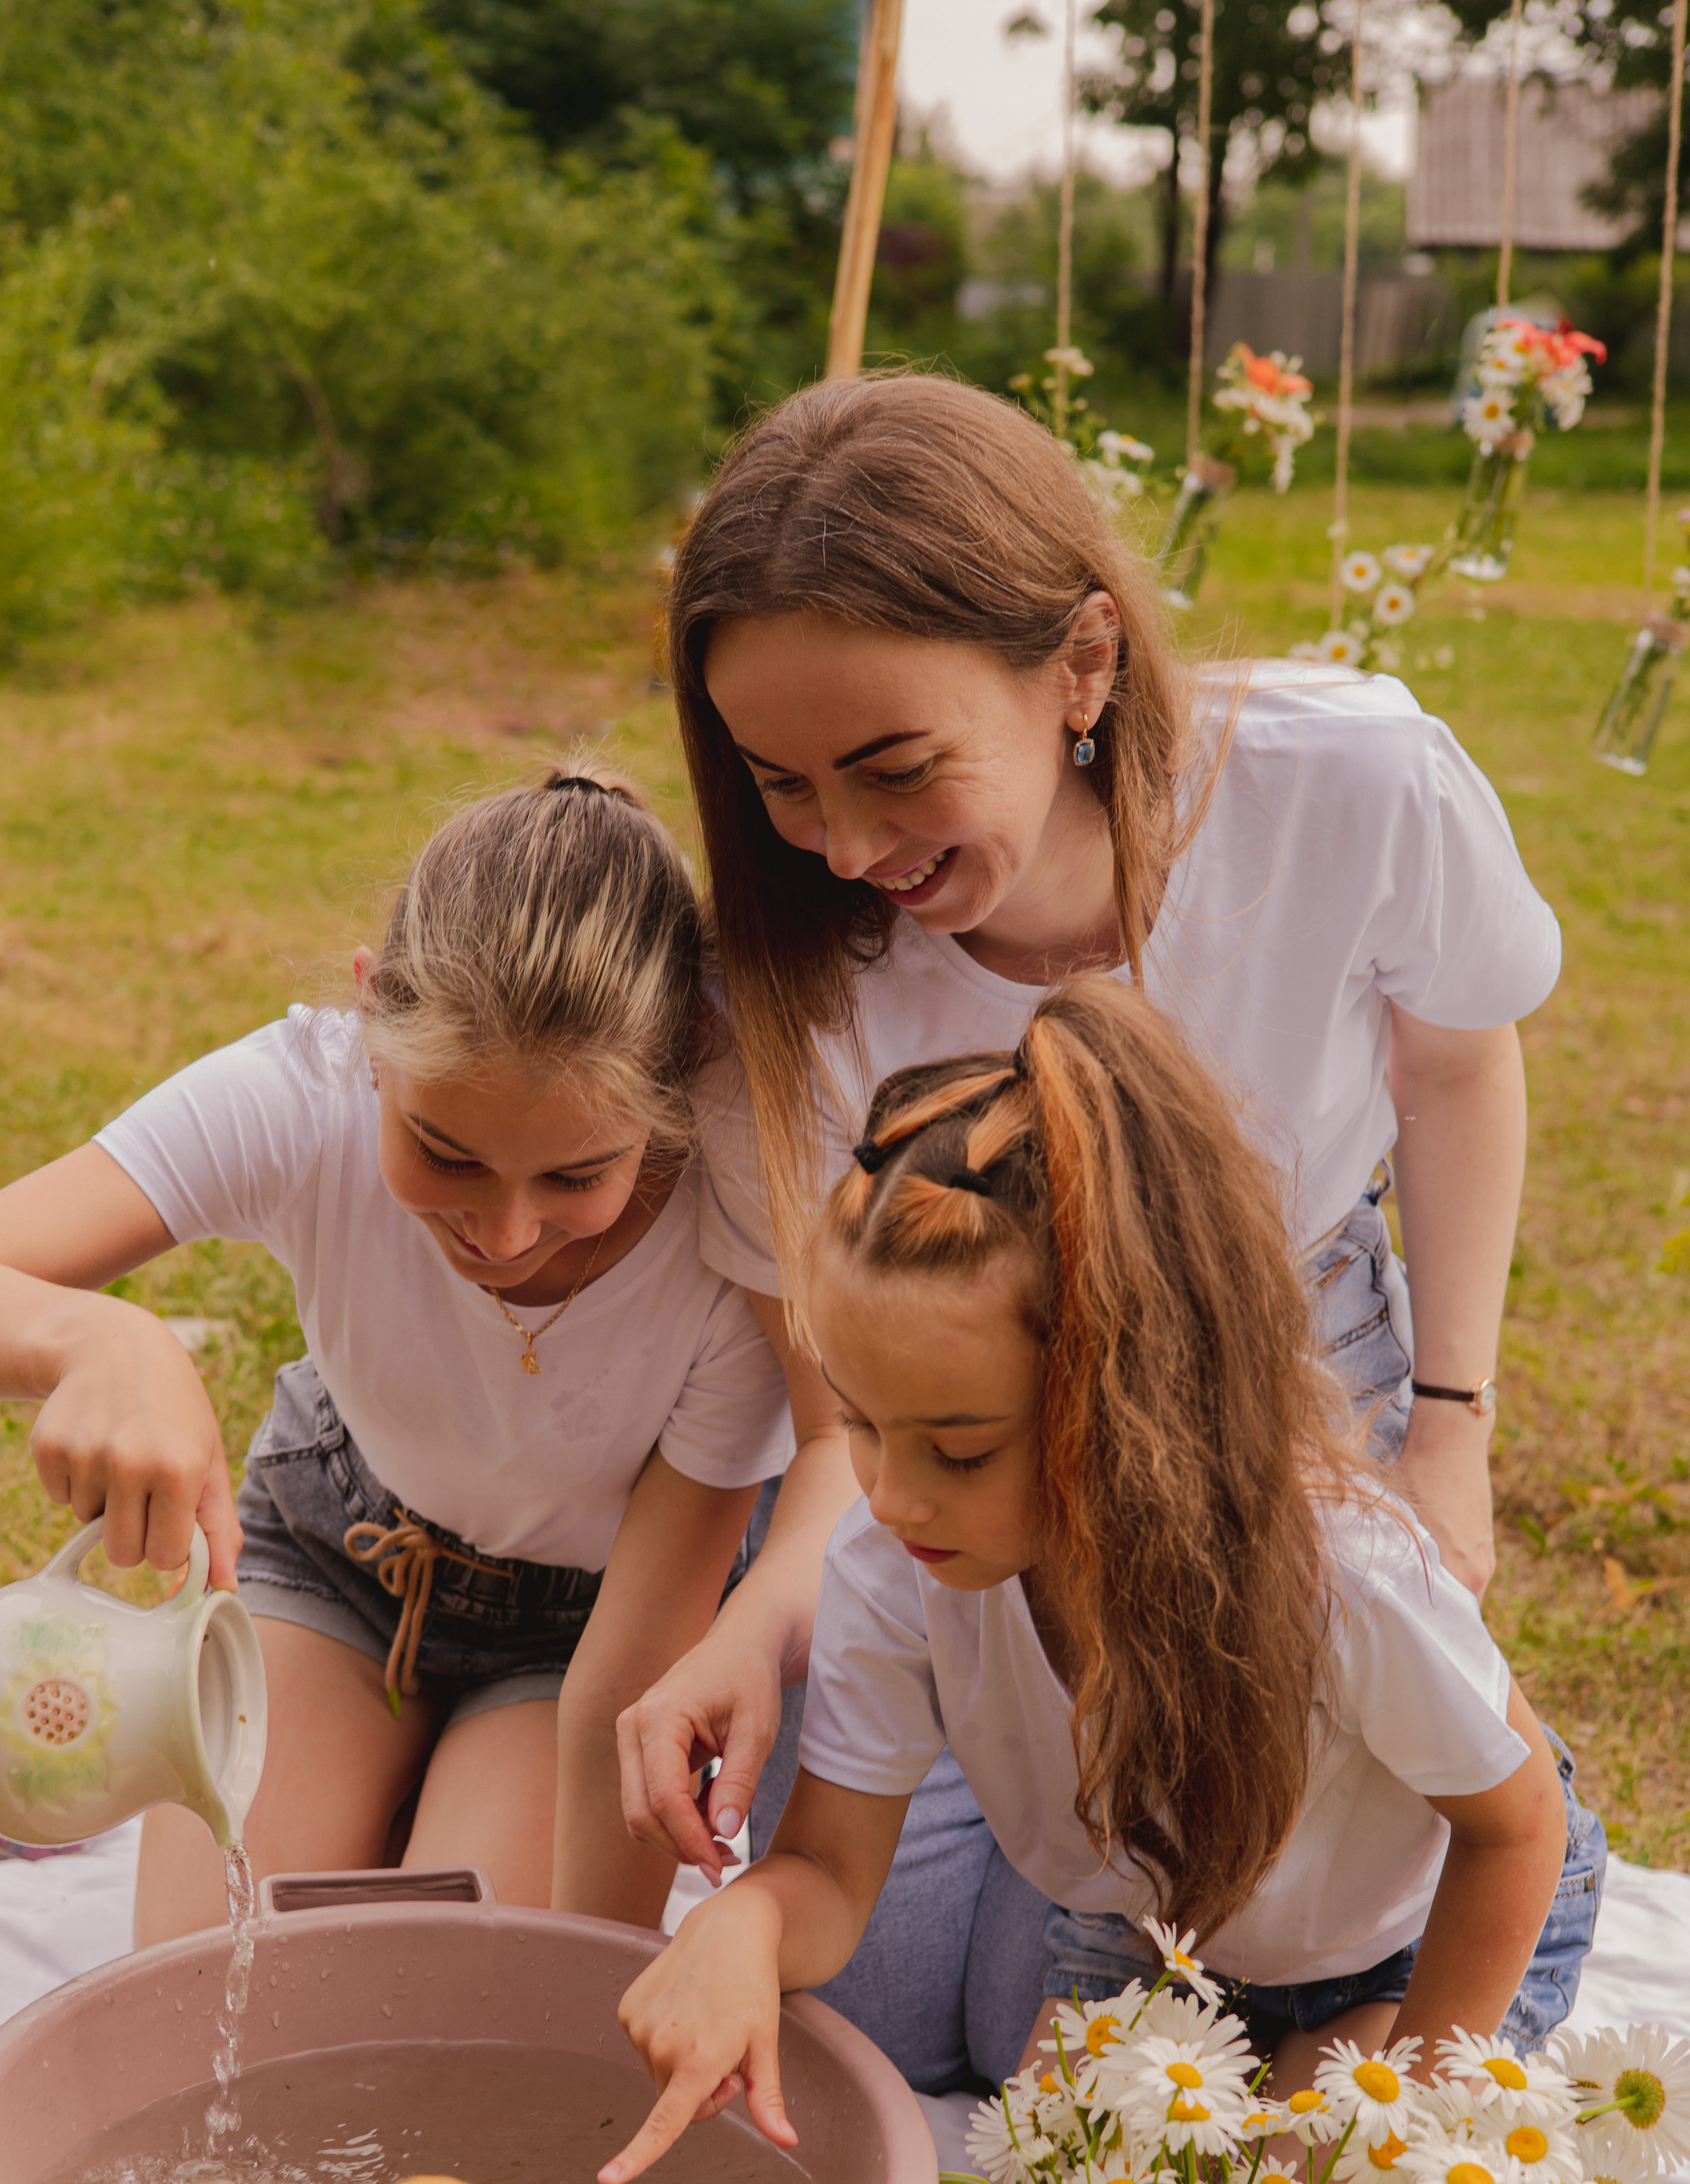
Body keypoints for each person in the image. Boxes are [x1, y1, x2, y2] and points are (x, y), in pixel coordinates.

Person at [615, 372, 1565, 2096]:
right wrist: (768, 1621)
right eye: (781, 784)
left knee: (1274, 1837)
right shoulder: (807, 969)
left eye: (893, 770)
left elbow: (1451, 1070)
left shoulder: (1343, 782)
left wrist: (1447, 1430)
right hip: (960, 1442)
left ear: (1080, 665)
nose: (843, 845)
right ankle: (1064, 1818)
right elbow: (875, 1414)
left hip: (1304, 1372)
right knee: (894, 2020)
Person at [599, 986, 1603, 2184]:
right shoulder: (892, 1564)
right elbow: (826, 1870)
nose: (894, 1496)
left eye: (960, 1450)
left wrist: (1415, 2125)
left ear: (1120, 1405)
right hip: (1152, 1939)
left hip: (1418, 1938)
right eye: (862, 1424)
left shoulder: (1337, 1568)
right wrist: (743, 1925)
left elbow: (1519, 1820)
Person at [0, 768, 796, 1940]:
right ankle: (384, 1794)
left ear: (685, 1066)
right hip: (339, 1551)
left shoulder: (740, 1225)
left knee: (454, 2003)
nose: (505, 1233)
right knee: (211, 1986)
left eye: (578, 1176)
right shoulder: (304, 1093)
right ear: (371, 1018)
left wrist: (577, 2003)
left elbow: (622, 1686)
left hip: (587, 1636)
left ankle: (425, 1801)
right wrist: (99, 1334)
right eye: (446, 1153)